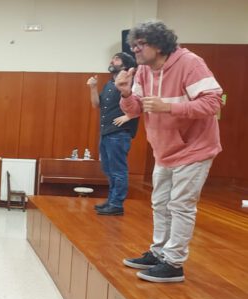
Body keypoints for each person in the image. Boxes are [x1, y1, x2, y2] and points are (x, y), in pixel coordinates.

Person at [116, 21, 223, 283]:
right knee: (160, 203)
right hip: (163, 150)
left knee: (180, 206)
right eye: (133, 45)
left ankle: (174, 264)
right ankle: (159, 252)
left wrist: (170, 108)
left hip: (195, 148)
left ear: (159, 44)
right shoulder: (142, 70)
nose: (135, 50)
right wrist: (126, 92)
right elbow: (135, 109)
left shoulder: (190, 63)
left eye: (141, 44)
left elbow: (213, 102)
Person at [86, 52, 139, 216]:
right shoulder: (109, 84)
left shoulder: (133, 83)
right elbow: (96, 104)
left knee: (118, 170)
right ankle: (111, 201)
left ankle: (117, 204)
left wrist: (129, 116)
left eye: (116, 59)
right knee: (108, 169)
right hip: (106, 131)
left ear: (125, 66)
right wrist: (93, 87)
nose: (111, 61)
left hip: (119, 133)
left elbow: (141, 103)